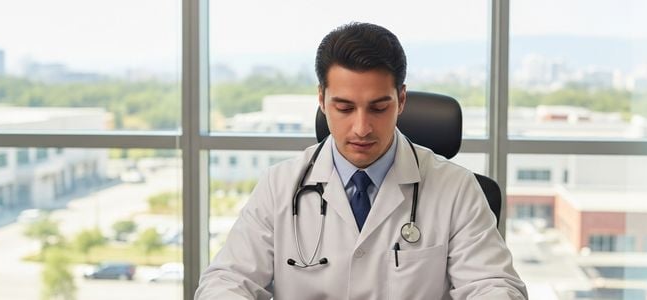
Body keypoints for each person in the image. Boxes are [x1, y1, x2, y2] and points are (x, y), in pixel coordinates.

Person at [196, 22, 527, 299]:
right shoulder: (280, 186)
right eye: (344, 108)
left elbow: (495, 286)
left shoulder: (456, 189)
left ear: (401, 100)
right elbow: (225, 282)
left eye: (378, 108)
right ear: (321, 99)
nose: (361, 128)